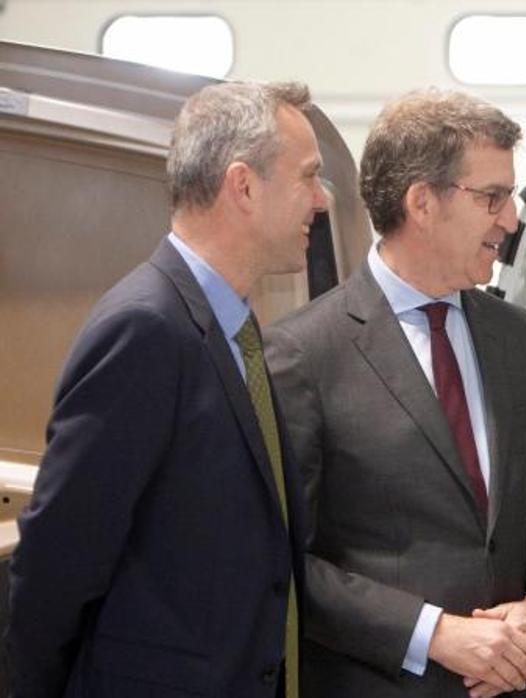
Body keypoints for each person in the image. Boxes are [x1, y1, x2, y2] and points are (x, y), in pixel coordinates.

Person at [264, 88, 526, 698]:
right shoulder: (302, 355)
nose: (511, 218)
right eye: (492, 196)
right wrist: (434, 634)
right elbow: (281, 565)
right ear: (422, 203)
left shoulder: (519, 338)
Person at [7, 81, 326, 697]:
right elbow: (58, 562)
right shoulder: (146, 328)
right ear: (243, 186)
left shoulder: (232, 324)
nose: (320, 199)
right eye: (309, 177)